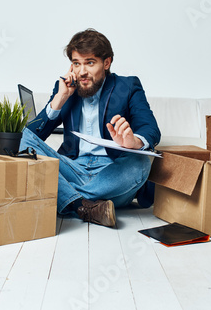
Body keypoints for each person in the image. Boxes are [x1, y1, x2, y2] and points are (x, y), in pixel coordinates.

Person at [20, 28, 160, 227]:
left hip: (112, 173)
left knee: (142, 163)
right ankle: (84, 205)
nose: (82, 71)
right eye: (76, 63)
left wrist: (134, 142)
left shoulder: (127, 86)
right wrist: (59, 99)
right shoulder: (65, 88)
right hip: (73, 167)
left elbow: (150, 128)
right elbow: (32, 137)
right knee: (22, 140)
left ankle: (67, 197)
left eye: (90, 63)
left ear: (107, 62)